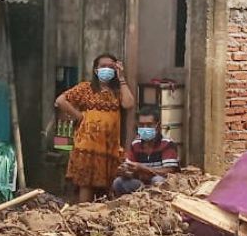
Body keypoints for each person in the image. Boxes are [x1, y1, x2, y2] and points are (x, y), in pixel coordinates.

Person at [55, 53, 135, 203]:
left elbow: (128, 104)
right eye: (103, 66)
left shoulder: (117, 92)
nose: (107, 69)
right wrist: (79, 116)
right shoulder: (86, 88)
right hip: (87, 147)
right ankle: (82, 219)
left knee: (108, 188)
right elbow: (61, 100)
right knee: (86, 185)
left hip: (109, 148)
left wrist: (122, 78)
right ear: (95, 70)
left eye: (111, 67)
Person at [113, 106, 179, 195]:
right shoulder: (135, 144)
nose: (145, 128)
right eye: (141, 125)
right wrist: (125, 171)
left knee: (157, 180)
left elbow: (169, 172)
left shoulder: (167, 144)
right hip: (141, 185)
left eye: (149, 125)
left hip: (161, 185)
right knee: (119, 182)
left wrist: (144, 169)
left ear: (158, 126)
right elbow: (130, 169)